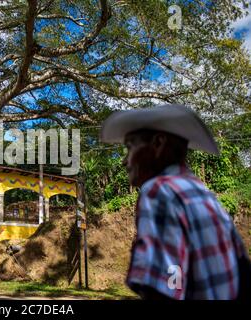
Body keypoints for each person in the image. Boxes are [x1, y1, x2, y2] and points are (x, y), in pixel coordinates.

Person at [100, 104, 250, 300]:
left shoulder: (159, 190)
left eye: (130, 147)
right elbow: (243, 272)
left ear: (158, 143)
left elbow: (164, 288)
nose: (124, 161)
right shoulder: (203, 193)